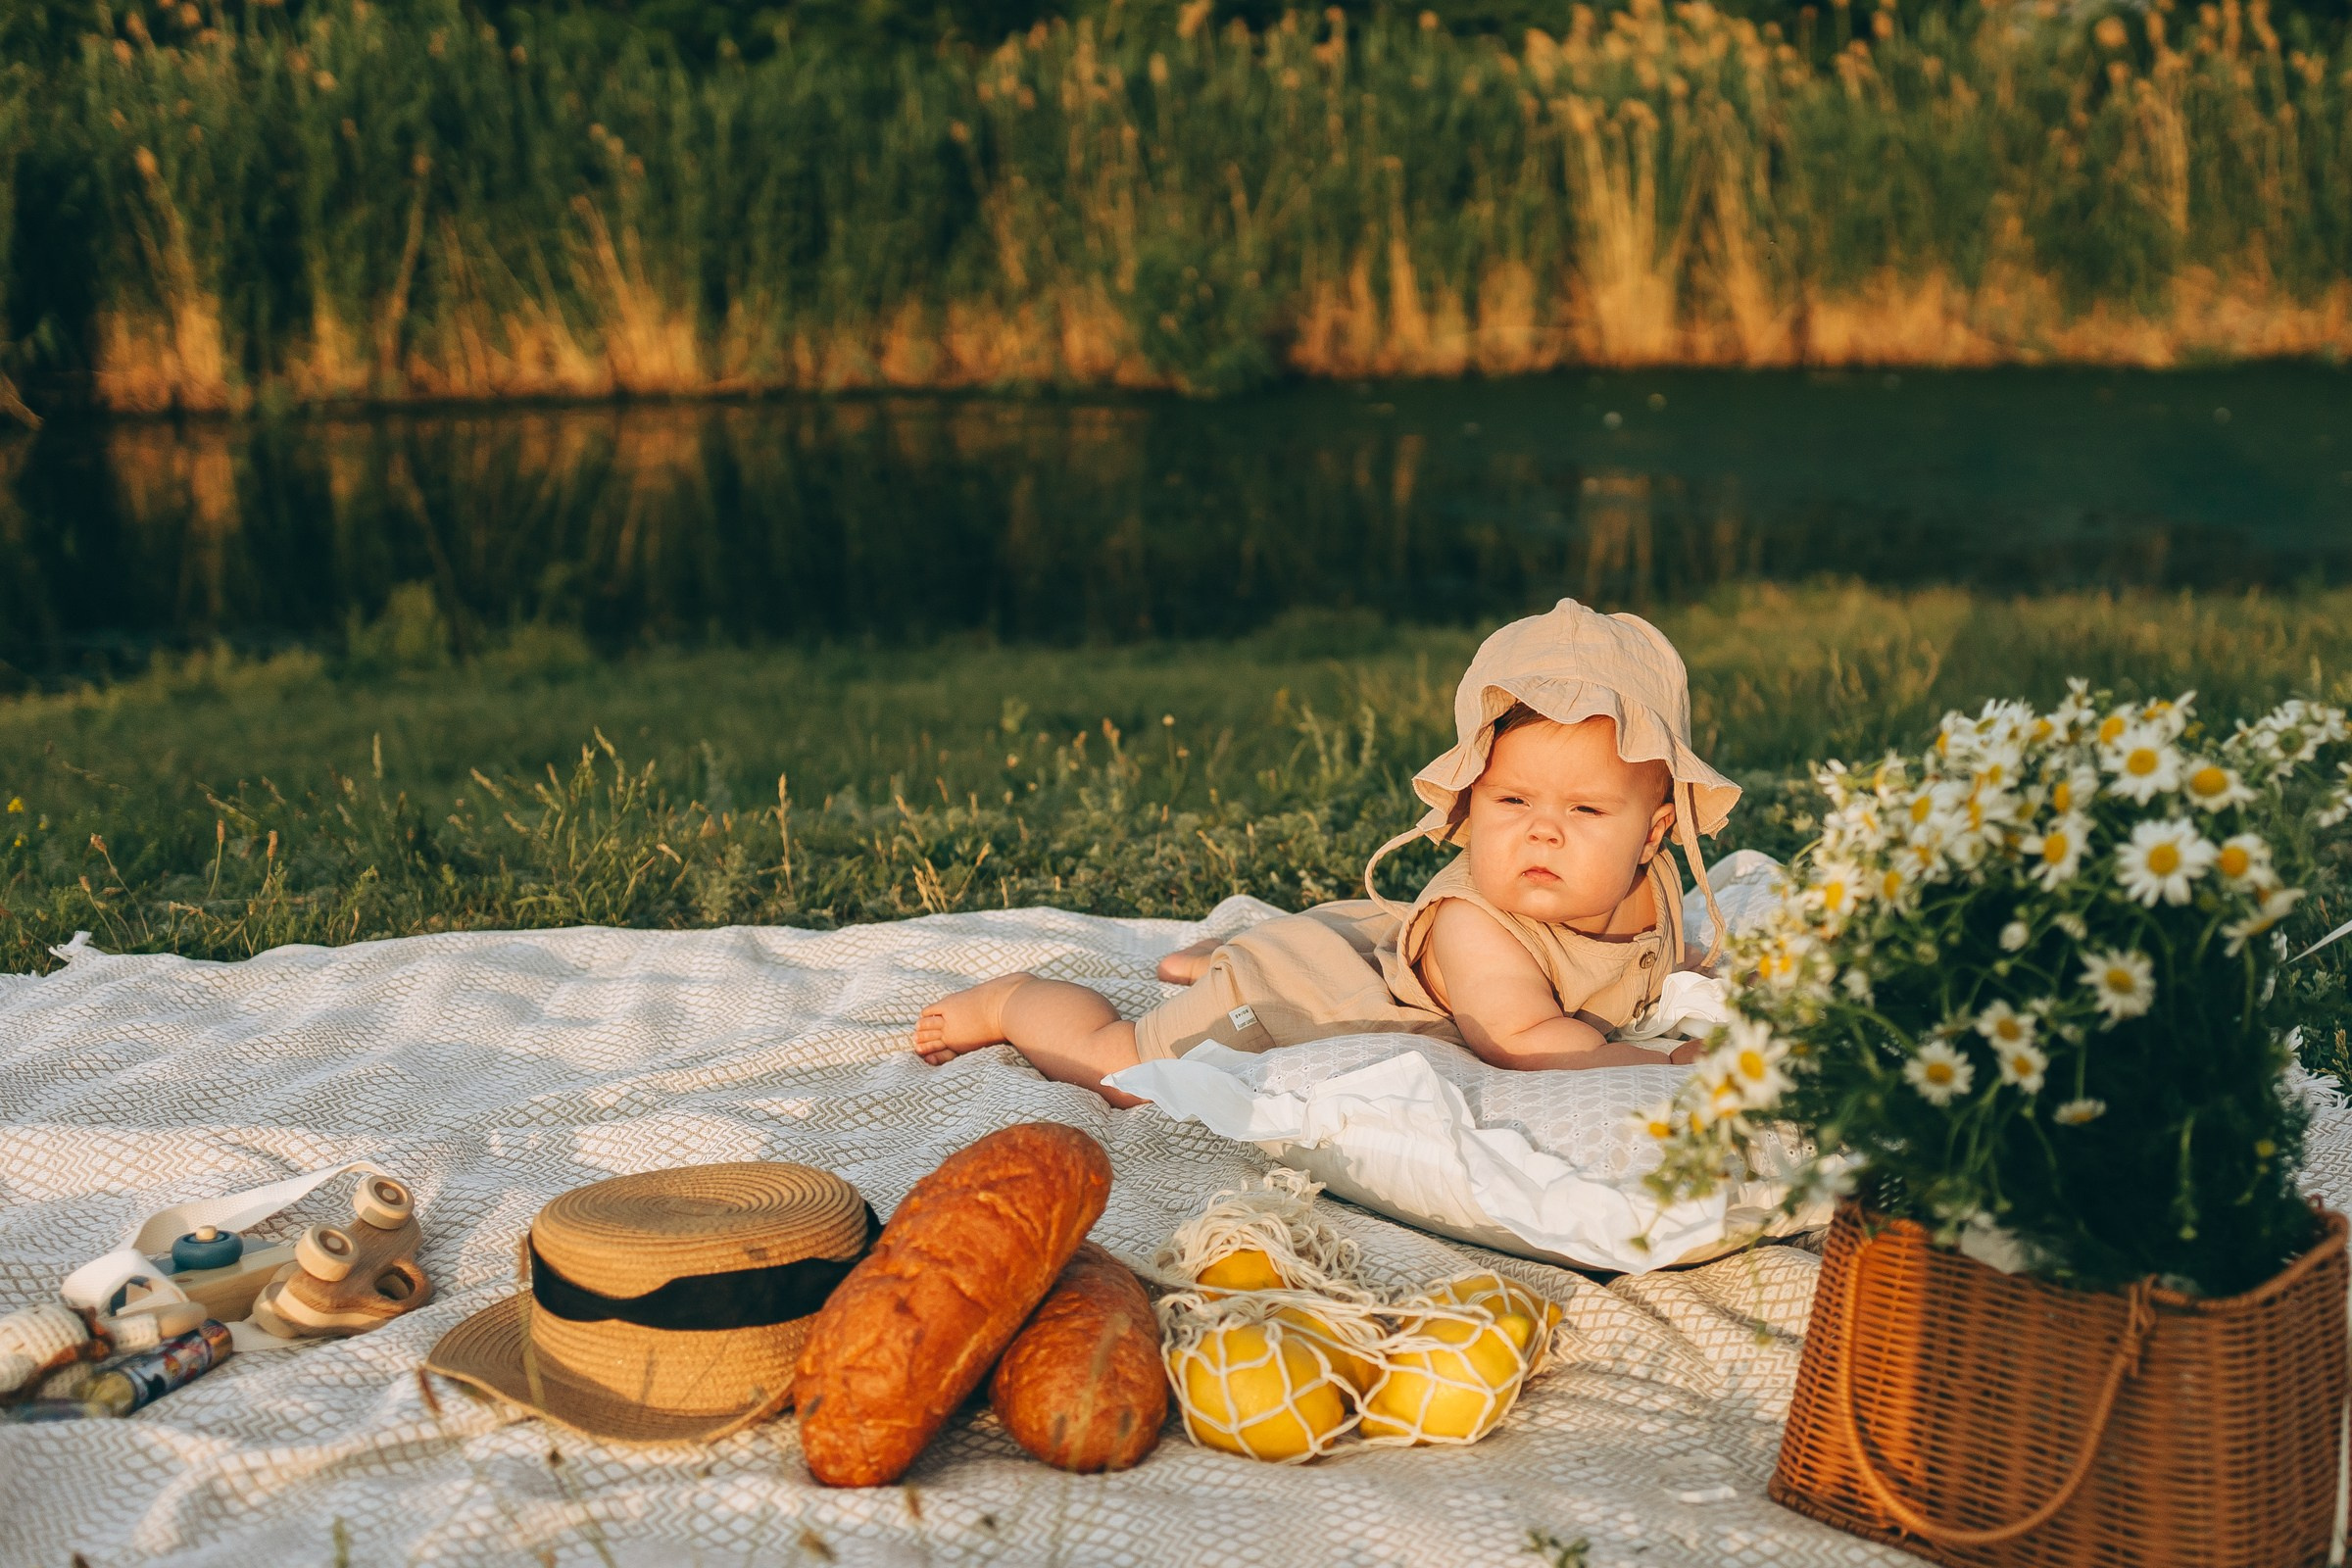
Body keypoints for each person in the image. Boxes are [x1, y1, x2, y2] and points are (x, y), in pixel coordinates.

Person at [914, 598, 1741, 1105]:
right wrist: (1665, 1062)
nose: (1543, 831)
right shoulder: (1477, 926)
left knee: (1348, 941)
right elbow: (1520, 1038)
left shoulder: (1655, 883)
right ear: (1469, 799)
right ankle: (1017, 1001)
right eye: (1512, 801)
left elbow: (1660, 956)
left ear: (1656, 830)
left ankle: (1215, 957)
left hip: (1362, 954)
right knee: (1129, 1076)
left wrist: (1701, 974)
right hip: (1295, 996)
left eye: (1587, 809)